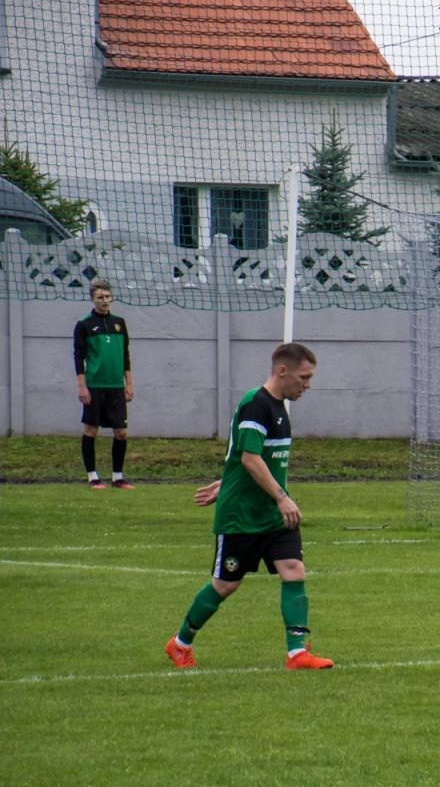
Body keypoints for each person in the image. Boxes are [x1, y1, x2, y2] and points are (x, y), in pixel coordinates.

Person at [164, 342, 333, 670]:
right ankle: (180, 643)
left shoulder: (279, 406)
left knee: (293, 570)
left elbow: (244, 457)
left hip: (273, 513)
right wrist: (281, 496)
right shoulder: (256, 405)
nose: (308, 385)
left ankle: (297, 653)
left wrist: (230, 479)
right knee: (226, 584)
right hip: (242, 514)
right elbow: (249, 457)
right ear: (282, 371)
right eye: (304, 377)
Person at [73, 278, 134, 490]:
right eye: (100, 297)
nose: (105, 301)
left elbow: (125, 355)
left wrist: (128, 383)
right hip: (95, 385)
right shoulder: (84, 325)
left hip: (116, 386)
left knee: (121, 432)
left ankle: (118, 477)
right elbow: (78, 358)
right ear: (93, 299)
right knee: (91, 430)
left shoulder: (120, 323)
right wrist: (82, 386)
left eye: (107, 297)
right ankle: (93, 477)